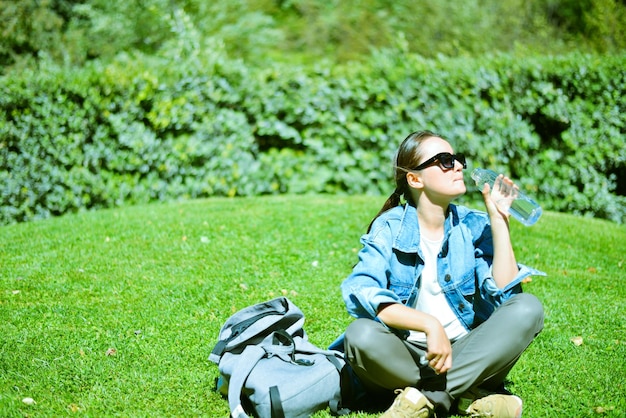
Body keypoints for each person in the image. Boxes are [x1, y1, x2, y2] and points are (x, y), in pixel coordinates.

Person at [339, 130, 545, 417]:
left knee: (528, 308)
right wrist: (429, 325)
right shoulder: (390, 227)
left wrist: (499, 221)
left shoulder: (472, 224)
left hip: (467, 353)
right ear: (415, 179)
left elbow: (504, 295)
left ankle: (424, 400)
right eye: (445, 161)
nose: (459, 166)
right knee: (360, 334)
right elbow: (362, 289)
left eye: (457, 159)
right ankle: (463, 397)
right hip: (406, 355)